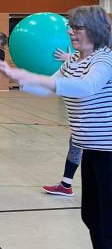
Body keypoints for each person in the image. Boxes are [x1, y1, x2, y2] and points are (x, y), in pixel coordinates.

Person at [0, 5, 112, 249]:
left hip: (110, 152)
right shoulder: (73, 61)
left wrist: (33, 77)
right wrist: (17, 77)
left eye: (78, 27)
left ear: (96, 30)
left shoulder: (104, 60)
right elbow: (50, 87)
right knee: (93, 217)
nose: (71, 32)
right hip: (94, 151)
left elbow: (87, 88)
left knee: (110, 225)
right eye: (70, 26)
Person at [42, 48, 82, 197]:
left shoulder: (103, 59)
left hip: (99, 122)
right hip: (84, 122)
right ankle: (66, 185)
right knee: (75, 146)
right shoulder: (78, 57)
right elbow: (54, 81)